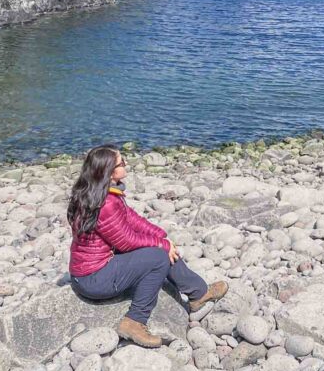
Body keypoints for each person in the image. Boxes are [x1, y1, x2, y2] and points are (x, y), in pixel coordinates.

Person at [67, 144, 227, 347]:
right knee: (158, 256)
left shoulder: (100, 193)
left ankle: (198, 293)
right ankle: (134, 321)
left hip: (93, 271)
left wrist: (161, 236)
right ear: (109, 170)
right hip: (94, 279)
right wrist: (161, 245)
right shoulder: (105, 202)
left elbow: (131, 219)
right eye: (121, 162)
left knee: (161, 250)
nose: (126, 164)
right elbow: (125, 242)